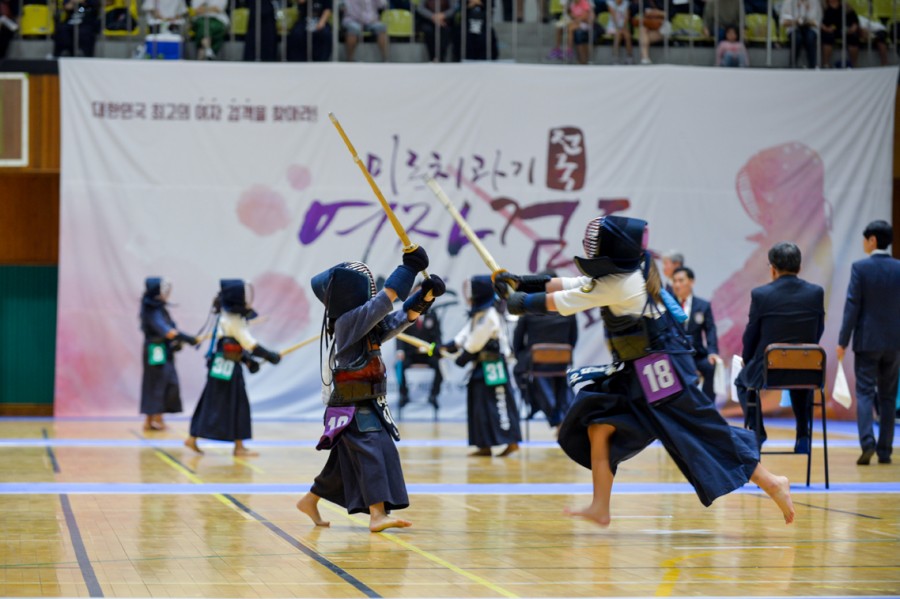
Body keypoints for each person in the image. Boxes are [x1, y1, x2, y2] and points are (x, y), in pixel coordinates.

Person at [495, 215, 795, 527]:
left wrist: (517, 301)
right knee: (599, 425)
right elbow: (572, 284)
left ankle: (772, 482)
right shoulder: (624, 274)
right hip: (637, 371)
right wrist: (521, 282)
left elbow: (564, 301)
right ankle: (600, 507)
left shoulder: (620, 283)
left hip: (662, 369)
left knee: (701, 429)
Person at [296, 249, 445, 532]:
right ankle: (377, 515)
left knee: (343, 463)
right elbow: (383, 303)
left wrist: (424, 297)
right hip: (351, 405)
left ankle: (310, 500)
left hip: (366, 401)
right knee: (373, 450)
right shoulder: (348, 322)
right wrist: (409, 268)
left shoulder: (364, 326)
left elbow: (399, 319)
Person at [734, 242, 824, 454]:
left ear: (773, 269)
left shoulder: (761, 294)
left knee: (741, 382)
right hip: (807, 370)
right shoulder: (816, 293)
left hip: (768, 370)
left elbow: (751, 334)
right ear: (799, 267)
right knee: (800, 376)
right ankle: (803, 434)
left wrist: (747, 359)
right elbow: (818, 330)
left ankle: (757, 432)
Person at [185, 279, 281, 456]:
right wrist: (269, 355)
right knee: (235, 402)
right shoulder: (232, 319)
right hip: (227, 366)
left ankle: (224, 443)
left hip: (225, 364)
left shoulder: (227, 316)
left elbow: (234, 345)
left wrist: (247, 360)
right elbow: (248, 343)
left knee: (217, 400)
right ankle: (237, 446)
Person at [837, 220, 900, 466]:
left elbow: (852, 306)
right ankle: (885, 450)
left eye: (865, 239)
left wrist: (843, 341)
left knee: (864, 392)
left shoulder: (860, 268)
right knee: (888, 396)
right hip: (894, 342)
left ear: (872, 240)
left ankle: (867, 443)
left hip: (867, 341)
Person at [443, 275, 522, 457]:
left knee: (499, 403)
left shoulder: (491, 314)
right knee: (479, 404)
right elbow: (465, 335)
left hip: (493, 365)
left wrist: (462, 357)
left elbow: (475, 342)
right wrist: (448, 346)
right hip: (480, 367)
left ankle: (511, 441)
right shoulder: (479, 313)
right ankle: (484, 444)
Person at [512, 285, 579, 431]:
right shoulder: (569, 309)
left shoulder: (529, 310)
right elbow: (573, 338)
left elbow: (517, 340)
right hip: (562, 361)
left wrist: (520, 357)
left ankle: (538, 406)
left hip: (536, 361)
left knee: (520, 372)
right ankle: (562, 417)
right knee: (559, 382)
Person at [140, 278, 199, 432]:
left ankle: (156, 419)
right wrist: (186, 338)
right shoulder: (150, 310)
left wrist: (178, 341)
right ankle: (152, 420)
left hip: (164, 349)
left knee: (167, 383)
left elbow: (171, 329)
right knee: (156, 383)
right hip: (156, 350)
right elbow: (166, 331)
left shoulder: (159, 309)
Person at [671, 267, 720, 401]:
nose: (677, 285)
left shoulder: (703, 306)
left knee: (711, 366)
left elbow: (710, 330)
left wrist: (712, 352)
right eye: (674, 281)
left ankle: (708, 405)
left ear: (691, 282)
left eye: (681, 280)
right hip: (675, 356)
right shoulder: (667, 306)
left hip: (696, 355)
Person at [396, 282, 443, 409]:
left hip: (427, 353)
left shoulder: (432, 315)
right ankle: (404, 395)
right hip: (410, 353)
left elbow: (437, 336)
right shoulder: (406, 312)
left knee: (440, 366)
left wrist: (437, 348)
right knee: (399, 366)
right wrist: (400, 350)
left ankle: (433, 395)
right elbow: (399, 334)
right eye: (416, 293)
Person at [780, 0, 821, 68]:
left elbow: (817, 21)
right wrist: (796, 21)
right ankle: (792, 65)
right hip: (794, 28)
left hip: (810, 28)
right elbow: (783, 22)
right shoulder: (788, 2)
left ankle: (813, 66)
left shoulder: (814, 2)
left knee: (810, 38)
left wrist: (807, 19)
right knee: (797, 38)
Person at [821, 0, 859, 68]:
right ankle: (826, 64)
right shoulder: (823, 6)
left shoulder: (845, 6)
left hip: (844, 30)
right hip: (828, 30)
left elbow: (854, 20)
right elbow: (819, 20)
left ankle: (854, 65)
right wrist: (826, 28)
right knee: (828, 37)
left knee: (853, 37)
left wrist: (853, 28)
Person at [606, 0, 633, 64]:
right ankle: (615, 58)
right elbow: (613, 16)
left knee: (627, 35)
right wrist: (618, 28)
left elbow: (626, 17)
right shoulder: (610, 3)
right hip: (613, 26)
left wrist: (623, 27)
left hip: (623, 27)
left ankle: (629, 57)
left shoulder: (626, 3)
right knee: (618, 34)